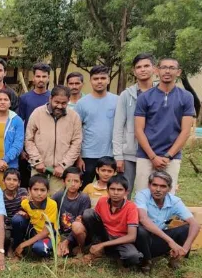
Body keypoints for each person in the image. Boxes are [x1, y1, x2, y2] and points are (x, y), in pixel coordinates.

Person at [134, 57, 195, 194]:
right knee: (142, 196)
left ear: (178, 72)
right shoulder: (144, 97)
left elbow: (185, 131)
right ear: (157, 70)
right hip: (146, 156)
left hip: (171, 158)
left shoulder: (186, 97)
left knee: (168, 198)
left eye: (172, 68)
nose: (167, 71)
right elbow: (138, 130)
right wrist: (153, 157)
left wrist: (168, 156)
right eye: (164, 67)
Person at [135, 171, 200, 270]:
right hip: (142, 241)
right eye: (154, 185)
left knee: (186, 228)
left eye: (163, 186)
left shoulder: (174, 201)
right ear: (149, 185)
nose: (158, 189)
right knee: (140, 230)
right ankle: (146, 262)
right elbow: (143, 219)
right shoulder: (142, 195)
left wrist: (185, 248)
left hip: (159, 239)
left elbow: (195, 224)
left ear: (169, 189)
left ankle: (176, 258)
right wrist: (170, 241)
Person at [24, 85, 82, 194]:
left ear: (68, 101)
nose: (59, 106)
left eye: (63, 103)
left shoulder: (74, 117)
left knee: (56, 202)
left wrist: (64, 165)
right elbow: (29, 139)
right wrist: (37, 161)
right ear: (50, 98)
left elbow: (76, 143)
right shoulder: (37, 113)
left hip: (60, 172)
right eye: (56, 102)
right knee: (36, 199)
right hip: (39, 168)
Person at [113, 53, 155, 199]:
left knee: (151, 191)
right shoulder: (126, 95)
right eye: (139, 67)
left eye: (146, 66)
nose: (143, 70)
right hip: (129, 153)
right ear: (134, 71)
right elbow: (118, 126)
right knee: (125, 190)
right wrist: (118, 155)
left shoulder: (161, 93)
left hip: (154, 152)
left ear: (154, 68)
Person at [81, 175, 145, 269]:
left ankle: (112, 255)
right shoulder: (102, 201)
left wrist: (103, 245)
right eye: (112, 189)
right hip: (105, 235)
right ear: (107, 190)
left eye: (119, 190)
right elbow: (95, 220)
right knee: (88, 213)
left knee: (133, 257)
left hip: (121, 239)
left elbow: (132, 237)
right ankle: (96, 248)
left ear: (126, 192)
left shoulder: (131, 207)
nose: (115, 193)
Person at [75, 65, 119, 189]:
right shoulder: (82, 103)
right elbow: (76, 132)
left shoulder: (117, 101)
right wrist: (79, 157)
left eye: (103, 78)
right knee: (84, 189)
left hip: (110, 154)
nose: (99, 81)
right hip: (88, 155)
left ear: (108, 80)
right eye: (95, 78)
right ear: (90, 81)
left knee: (109, 190)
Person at [18, 63, 51, 187]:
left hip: (48, 147)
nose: (41, 79)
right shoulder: (25, 98)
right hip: (29, 146)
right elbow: (20, 124)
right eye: (38, 76)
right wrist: (21, 149)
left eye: (44, 76)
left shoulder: (52, 98)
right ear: (33, 78)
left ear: (48, 78)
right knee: (28, 182)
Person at [13, 175, 60, 258]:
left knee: (39, 248)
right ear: (29, 190)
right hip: (33, 231)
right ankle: (17, 250)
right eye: (35, 189)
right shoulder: (25, 203)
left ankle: (48, 252)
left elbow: (46, 232)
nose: (39, 193)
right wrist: (24, 214)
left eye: (42, 190)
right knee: (17, 219)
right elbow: (24, 210)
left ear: (48, 191)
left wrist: (24, 244)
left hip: (49, 236)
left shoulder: (52, 204)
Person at [54, 167, 91, 257]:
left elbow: (80, 222)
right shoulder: (58, 196)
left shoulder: (84, 198)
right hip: (63, 234)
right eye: (69, 181)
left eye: (76, 181)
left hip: (78, 235)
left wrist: (67, 242)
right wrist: (60, 241)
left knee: (77, 226)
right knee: (59, 254)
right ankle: (67, 249)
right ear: (64, 182)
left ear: (81, 183)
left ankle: (81, 248)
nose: (72, 184)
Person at [2, 168, 28, 255]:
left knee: (17, 219)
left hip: (19, 222)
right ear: (3, 181)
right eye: (8, 179)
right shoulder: (0, 195)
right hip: (6, 224)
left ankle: (17, 246)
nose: (11, 182)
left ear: (19, 183)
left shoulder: (22, 192)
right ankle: (8, 246)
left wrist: (26, 204)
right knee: (5, 236)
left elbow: (28, 207)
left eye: (14, 180)